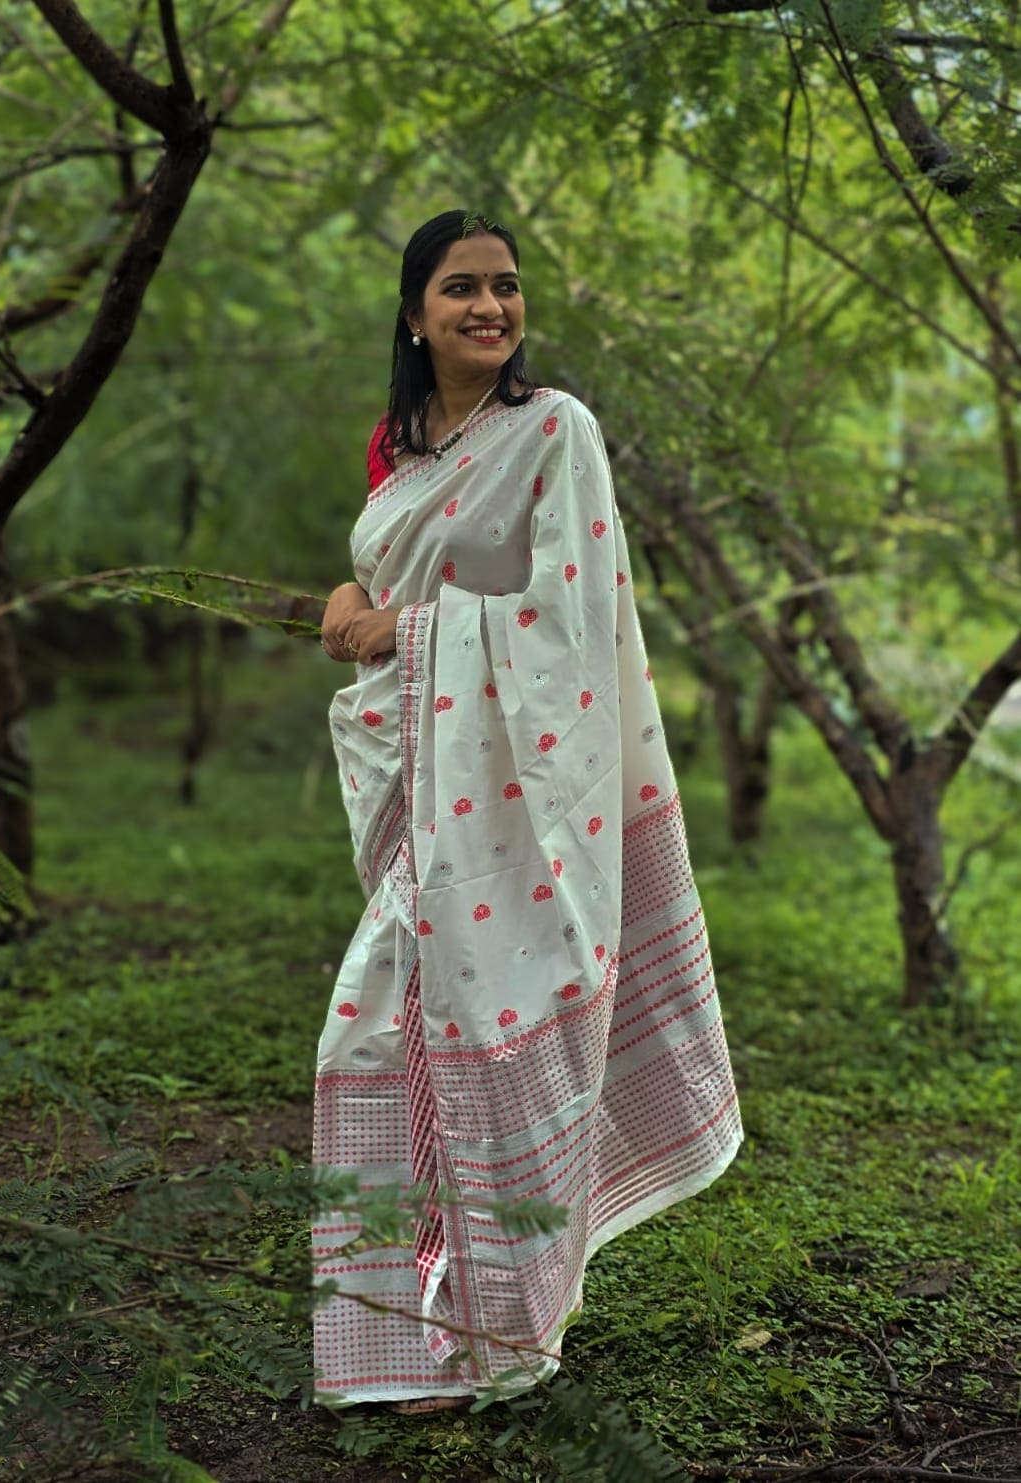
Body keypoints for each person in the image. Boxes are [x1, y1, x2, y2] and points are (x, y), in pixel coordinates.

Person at [312, 210, 742, 1414]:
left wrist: (400, 627)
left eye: (505, 287)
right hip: (425, 790)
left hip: (523, 807)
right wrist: (357, 595)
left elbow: (567, 618)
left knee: (489, 1037)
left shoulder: (554, 431)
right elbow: (392, 579)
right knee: (385, 1037)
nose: (489, 307)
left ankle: (505, 1335)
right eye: (461, 288)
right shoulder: (394, 451)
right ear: (414, 314)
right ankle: (413, 1332)